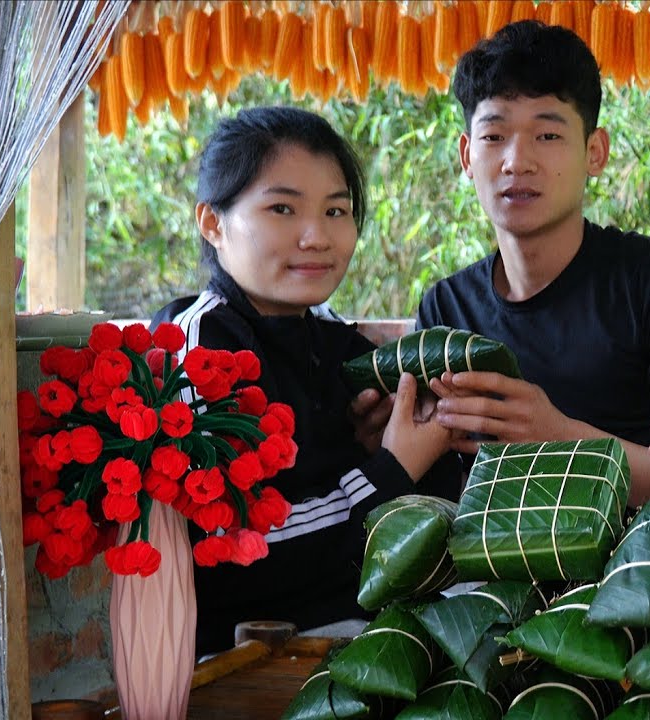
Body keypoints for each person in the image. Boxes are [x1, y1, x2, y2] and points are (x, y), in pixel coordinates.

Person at [151, 106, 460, 655]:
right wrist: (393, 469)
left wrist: (430, 439)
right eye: (282, 208)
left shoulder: (335, 341)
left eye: (336, 210)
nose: (317, 237)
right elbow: (236, 550)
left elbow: (436, 506)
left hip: (367, 634)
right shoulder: (196, 346)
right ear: (213, 223)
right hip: (251, 662)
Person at [417, 20, 650, 504]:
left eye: (547, 135)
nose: (516, 161)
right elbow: (439, 491)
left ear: (595, 152)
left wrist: (560, 437)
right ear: (467, 156)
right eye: (494, 136)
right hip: (495, 551)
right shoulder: (446, 311)